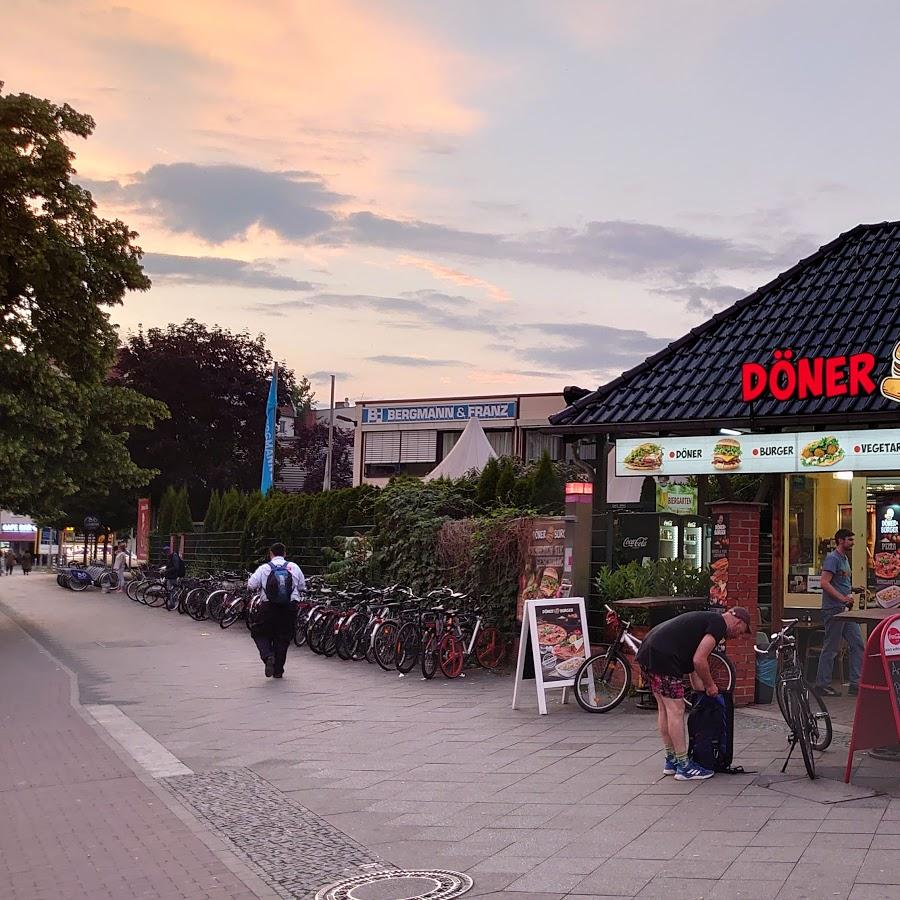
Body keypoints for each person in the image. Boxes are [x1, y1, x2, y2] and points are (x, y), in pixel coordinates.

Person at [636, 606, 752, 781]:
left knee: (664, 709)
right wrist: (711, 686)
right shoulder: (718, 624)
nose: (738, 636)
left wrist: (703, 690)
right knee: (676, 710)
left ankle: (671, 760)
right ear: (738, 621)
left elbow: (695, 666)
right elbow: (699, 660)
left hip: (649, 650)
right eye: (741, 631)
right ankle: (684, 766)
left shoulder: (705, 620)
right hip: (664, 657)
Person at [815, 528, 865, 698]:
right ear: (841, 540)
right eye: (850, 540)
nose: (853, 543)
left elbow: (839, 582)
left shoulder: (844, 559)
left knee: (857, 644)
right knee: (831, 646)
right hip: (834, 609)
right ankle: (822, 684)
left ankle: (855, 684)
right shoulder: (832, 558)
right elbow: (824, 583)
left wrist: (852, 589)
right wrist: (843, 598)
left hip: (845, 610)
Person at [247, 542, 305, 679]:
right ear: (285, 553)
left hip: (268, 607)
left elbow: (251, 585)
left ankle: (268, 656)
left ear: (271, 554)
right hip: (289, 607)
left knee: (259, 633)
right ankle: (278, 671)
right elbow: (302, 585)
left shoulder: (264, 568)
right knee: (283, 637)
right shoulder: (294, 567)